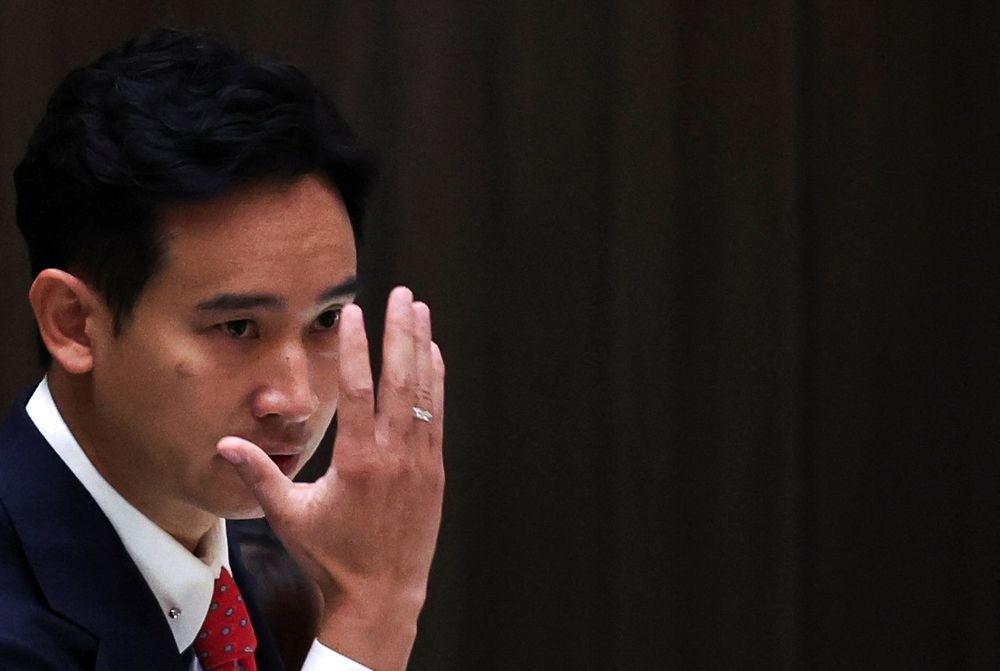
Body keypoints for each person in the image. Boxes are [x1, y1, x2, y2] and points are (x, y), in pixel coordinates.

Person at [0, 28, 445, 671]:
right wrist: (374, 608)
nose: (295, 402)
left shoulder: (232, 566)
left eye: (325, 320)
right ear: (73, 324)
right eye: (237, 328)